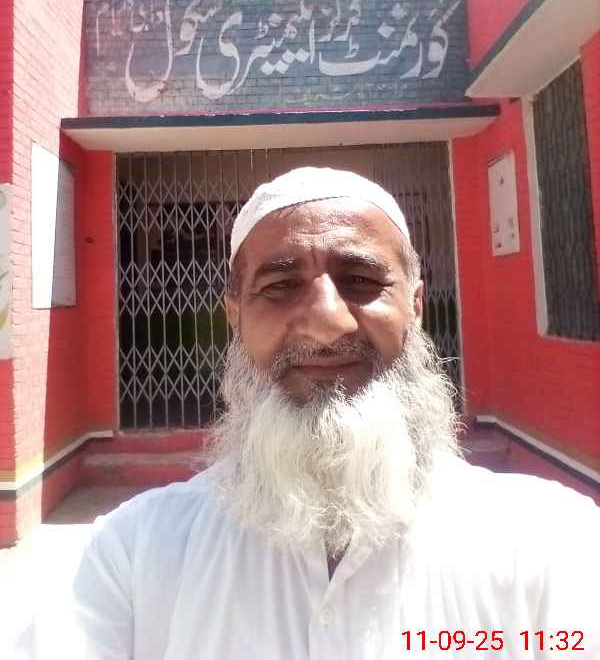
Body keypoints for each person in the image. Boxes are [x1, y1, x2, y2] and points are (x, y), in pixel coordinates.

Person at [57, 168, 600, 658]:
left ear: (414, 306)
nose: (326, 323)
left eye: (361, 281)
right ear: (235, 317)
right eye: (279, 286)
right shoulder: (134, 553)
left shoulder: (551, 541)